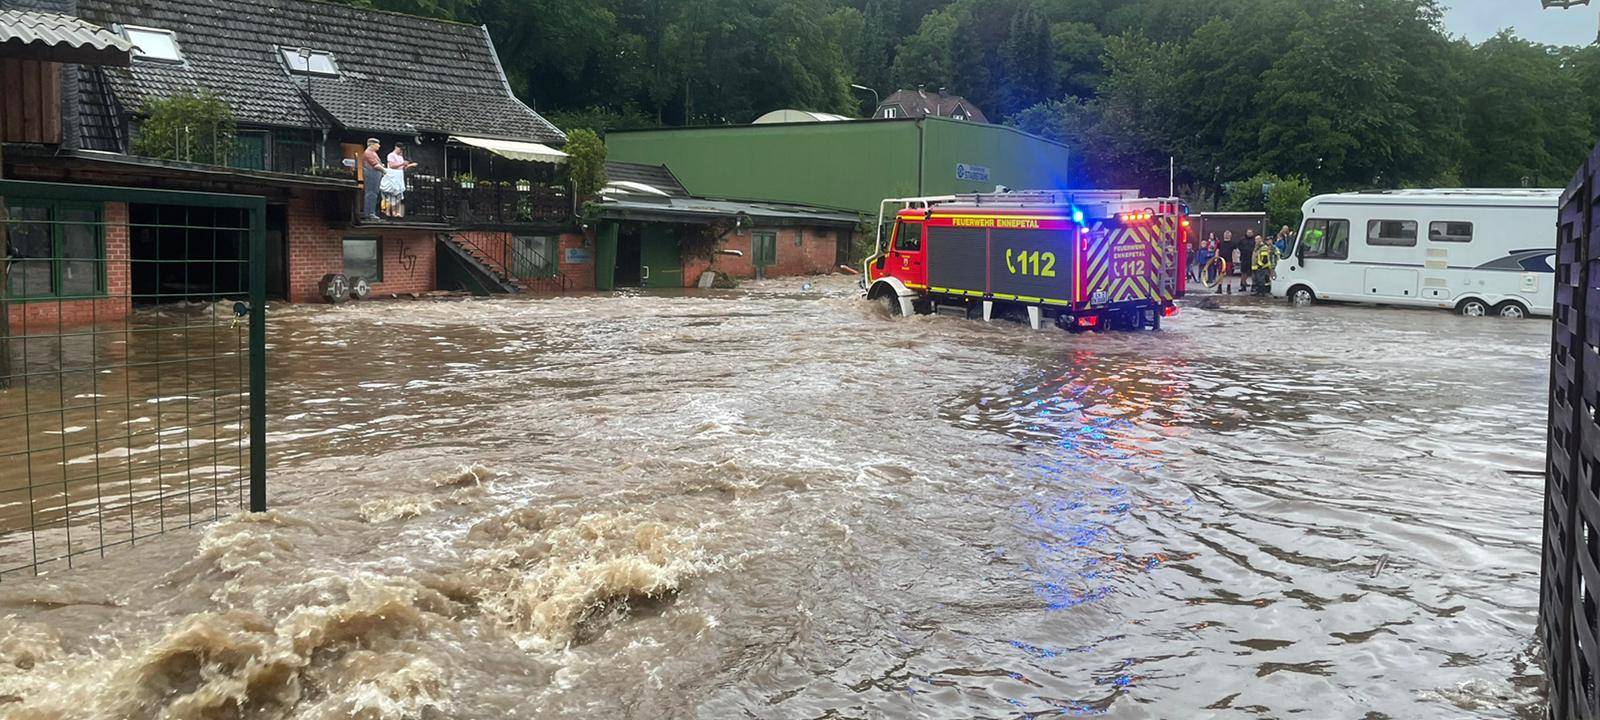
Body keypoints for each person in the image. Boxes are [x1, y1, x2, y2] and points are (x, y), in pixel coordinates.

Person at [382, 144, 418, 218]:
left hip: (399, 175)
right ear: (396, 147)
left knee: (398, 194)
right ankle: (388, 211)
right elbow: (391, 165)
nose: (401, 151)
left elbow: (402, 167)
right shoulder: (391, 155)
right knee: (391, 194)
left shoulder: (400, 157)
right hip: (392, 175)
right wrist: (402, 163)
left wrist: (409, 165)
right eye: (400, 149)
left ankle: (396, 212)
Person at [361, 138, 384, 221]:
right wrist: (385, 171)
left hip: (375, 176)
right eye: (377, 144)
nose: (379, 146)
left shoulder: (373, 153)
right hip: (371, 176)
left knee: (373, 194)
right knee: (371, 194)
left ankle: (371, 212)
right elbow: (375, 165)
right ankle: (369, 213)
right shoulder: (369, 153)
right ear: (371, 144)